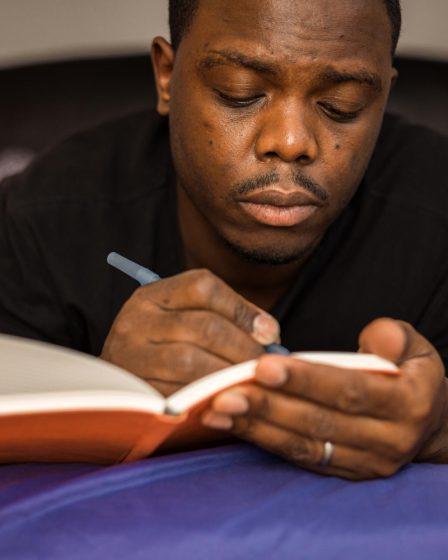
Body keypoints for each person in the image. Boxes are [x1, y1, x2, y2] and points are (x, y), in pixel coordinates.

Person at [1, 0, 448, 480]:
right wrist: (98, 401)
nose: (291, 142)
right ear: (167, 76)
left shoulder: (436, 212)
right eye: (241, 93)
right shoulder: (39, 220)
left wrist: (439, 431)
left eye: (343, 105)